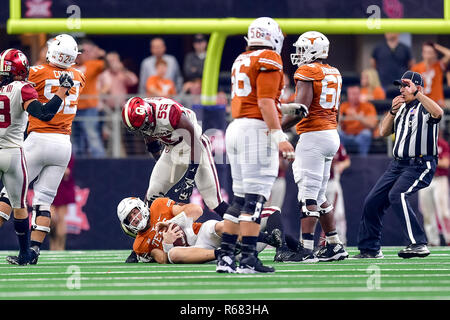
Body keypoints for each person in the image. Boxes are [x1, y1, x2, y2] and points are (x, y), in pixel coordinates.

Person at [215, 17, 298, 274]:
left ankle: (226, 258)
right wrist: (279, 137)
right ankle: (249, 258)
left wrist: (284, 109)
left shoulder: (241, 59)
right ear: (272, 36)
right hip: (255, 131)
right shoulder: (270, 59)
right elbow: (264, 103)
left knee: (238, 200)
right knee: (255, 199)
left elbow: (259, 100)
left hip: (237, 127)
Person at [355, 71, 443, 259]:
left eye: (406, 85)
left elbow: (438, 113)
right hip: (397, 165)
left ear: (417, 87)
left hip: (420, 163)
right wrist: (392, 111)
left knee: (398, 194)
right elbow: (383, 131)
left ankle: (418, 243)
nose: (402, 89)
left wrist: (418, 94)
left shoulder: (425, 106)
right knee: (372, 201)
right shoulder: (401, 107)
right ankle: (370, 248)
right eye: (401, 86)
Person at [0, 48, 74, 265]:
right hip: (15, 153)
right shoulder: (24, 89)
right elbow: (44, 113)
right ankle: (26, 254)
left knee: (4, 201)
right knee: (20, 206)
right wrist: (61, 91)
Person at [281, 31, 349, 263]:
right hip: (331, 133)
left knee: (308, 194)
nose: (298, 55)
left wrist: (276, 127)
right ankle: (334, 245)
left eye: (302, 49)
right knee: (319, 195)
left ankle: (306, 249)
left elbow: (301, 108)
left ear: (313, 50)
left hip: (314, 136)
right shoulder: (334, 71)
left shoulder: (308, 71)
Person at [121, 96, 230, 219]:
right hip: (171, 149)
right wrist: (160, 163)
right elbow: (152, 144)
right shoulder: (144, 119)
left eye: (143, 127)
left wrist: (190, 178)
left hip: (194, 145)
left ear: (149, 115)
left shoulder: (168, 113)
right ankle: (150, 236)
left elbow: (195, 143)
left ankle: (244, 233)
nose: (142, 132)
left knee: (214, 202)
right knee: (152, 195)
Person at [118, 197, 283, 264]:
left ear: (141, 207)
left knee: (215, 225)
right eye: (130, 218)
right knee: (174, 254)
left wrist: (170, 222)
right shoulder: (139, 243)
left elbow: (196, 210)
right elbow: (164, 260)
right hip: (195, 251)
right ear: (127, 225)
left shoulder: (158, 205)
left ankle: (266, 238)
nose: (136, 218)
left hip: (200, 234)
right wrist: (167, 243)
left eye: (135, 212)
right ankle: (224, 254)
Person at [97, 51, 138, 156]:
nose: (113, 63)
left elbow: (134, 80)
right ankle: (116, 156)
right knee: (111, 135)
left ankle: (118, 155)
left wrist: (123, 69)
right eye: (110, 61)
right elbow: (98, 93)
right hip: (108, 110)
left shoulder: (122, 74)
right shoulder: (103, 75)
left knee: (121, 134)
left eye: (115, 60)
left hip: (122, 109)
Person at [73, 38, 106, 158]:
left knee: (92, 135)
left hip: (89, 107)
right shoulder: (68, 66)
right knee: (75, 138)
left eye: (82, 52)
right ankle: (76, 163)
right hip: (72, 107)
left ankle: (100, 162)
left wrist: (102, 55)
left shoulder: (92, 64)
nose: (79, 55)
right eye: (77, 52)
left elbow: (106, 66)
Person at [418, 133, 450, 246]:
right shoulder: (421, 145)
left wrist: (429, 161)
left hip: (440, 179)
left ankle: (449, 239)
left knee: (444, 212)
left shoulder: (442, 144)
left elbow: (446, 163)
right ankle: (433, 241)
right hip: (425, 180)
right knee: (427, 212)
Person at [338, 84, 378, 155]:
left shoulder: (368, 106)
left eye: (357, 94)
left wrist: (358, 117)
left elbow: (373, 125)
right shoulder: (343, 106)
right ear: (348, 95)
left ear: (360, 94)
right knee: (338, 134)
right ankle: (342, 159)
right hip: (346, 135)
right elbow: (337, 123)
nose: (355, 96)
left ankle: (362, 160)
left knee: (366, 134)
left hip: (360, 135)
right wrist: (339, 119)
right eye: (352, 94)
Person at [324, 144, 351, 245]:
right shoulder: (313, 141)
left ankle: (340, 241)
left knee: (337, 214)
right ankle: (306, 242)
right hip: (316, 183)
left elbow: (346, 160)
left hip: (332, 182)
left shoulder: (335, 143)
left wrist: (341, 165)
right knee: (310, 213)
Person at [411, 42, 450, 109]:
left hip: (437, 102)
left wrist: (436, 46)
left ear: (435, 54)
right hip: (422, 102)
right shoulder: (416, 68)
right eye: (425, 52)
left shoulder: (438, 66)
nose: (427, 54)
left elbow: (449, 54)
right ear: (422, 53)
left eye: (430, 52)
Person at [49, 154, 76, 251]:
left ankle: (60, 248)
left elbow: (67, 171)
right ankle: (53, 244)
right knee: (51, 217)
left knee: (61, 219)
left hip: (63, 188)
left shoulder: (67, 153)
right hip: (50, 186)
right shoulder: (48, 152)